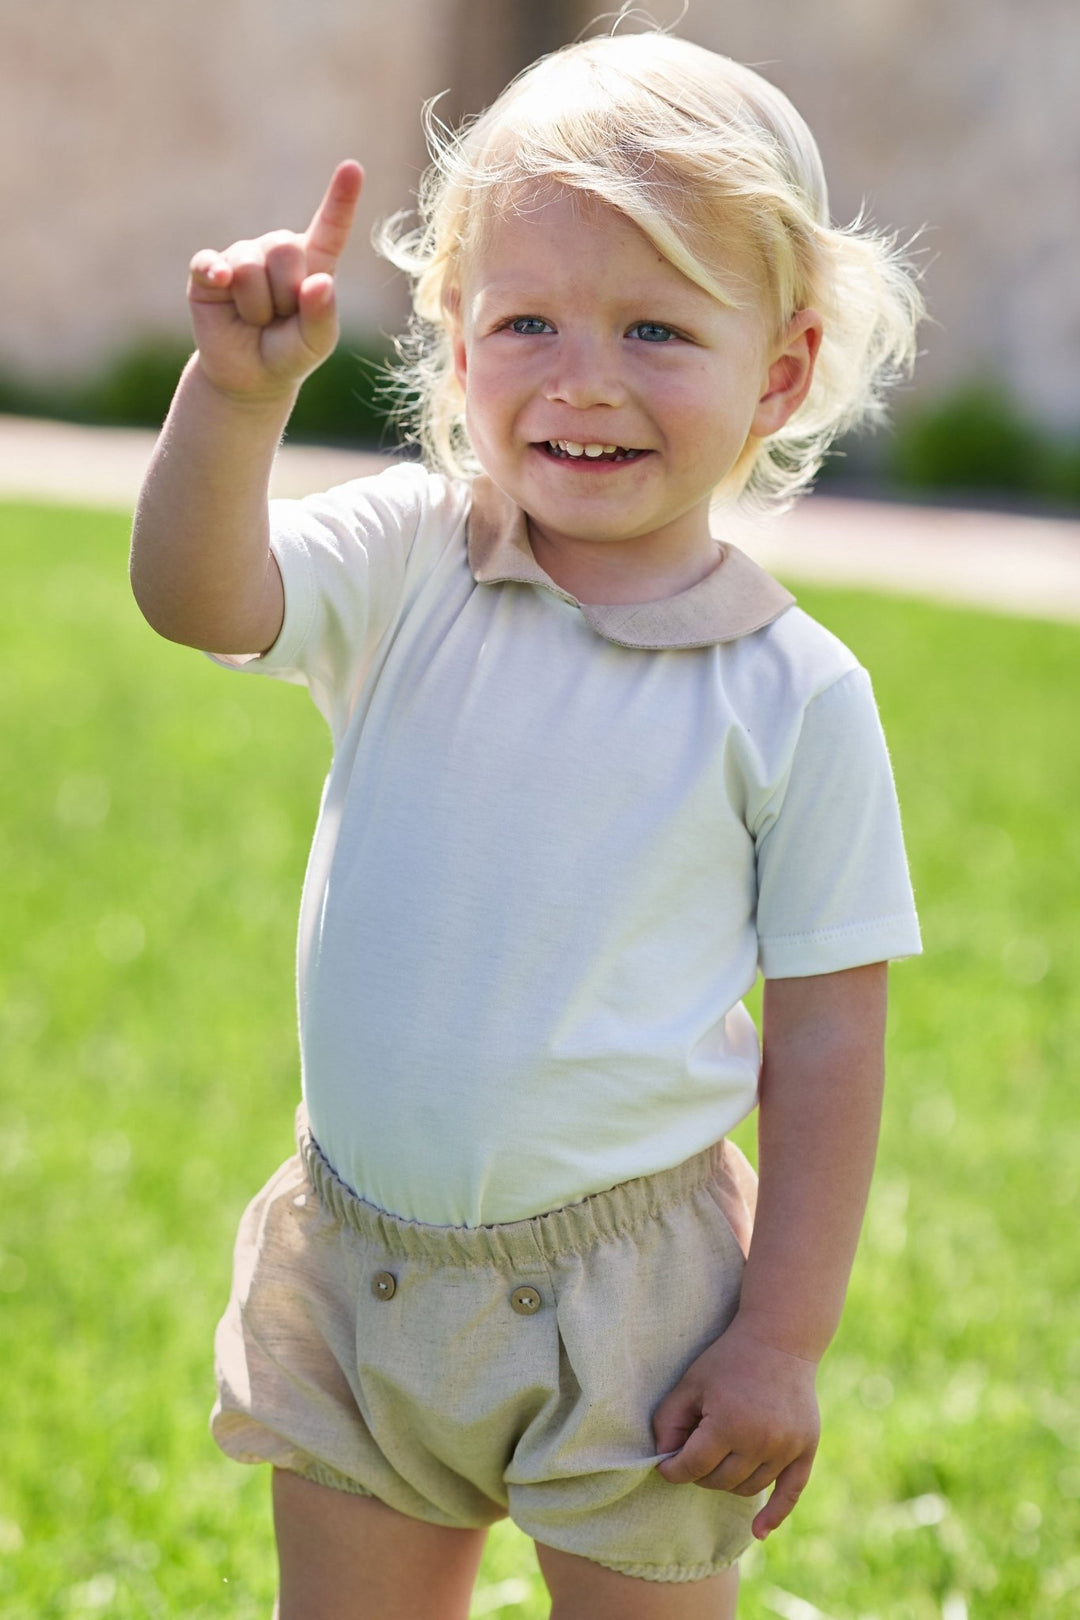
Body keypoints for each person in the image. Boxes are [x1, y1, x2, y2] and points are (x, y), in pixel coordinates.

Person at [130, 28, 923, 1620]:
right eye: (527, 323)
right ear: (453, 333)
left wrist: (782, 1339)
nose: (584, 380)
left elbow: (831, 1038)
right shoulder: (409, 562)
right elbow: (195, 596)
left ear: (779, 372)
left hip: (642, 1307)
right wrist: (234, 399)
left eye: (656, 329)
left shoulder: (794, 696)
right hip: (364, 1266)